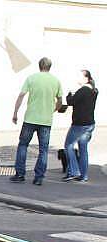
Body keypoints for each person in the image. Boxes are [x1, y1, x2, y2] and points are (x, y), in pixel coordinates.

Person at [11, 57, 63, 186]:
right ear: (50, 67)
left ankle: (20, 174)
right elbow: (60, 101)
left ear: (39, 66)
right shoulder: (56, 81)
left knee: (23, 145)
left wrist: (15, 113)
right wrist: (52, 110)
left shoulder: (31, 78)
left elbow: (21, 95)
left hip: (30, 118)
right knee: (43, 149)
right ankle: (39, 177)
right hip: (46, 120)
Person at [61, 70, 98, 182]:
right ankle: (84, 175)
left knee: (68, 145)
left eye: (80, 76)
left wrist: (69, 94)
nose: (77, 78)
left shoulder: (83, 90)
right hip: (90, 124)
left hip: (79, 124)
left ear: (86, 78)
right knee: (83, 149)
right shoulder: (94, 90)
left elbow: (70, 101)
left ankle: (73, 171)